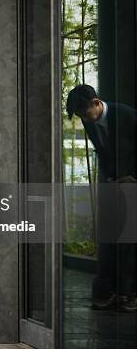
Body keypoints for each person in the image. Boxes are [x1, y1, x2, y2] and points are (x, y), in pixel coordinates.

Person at [66, 84, 136, 312]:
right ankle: (110, 292)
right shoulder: (90, 120)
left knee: (128, 241)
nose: (85, 119)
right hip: (112, 185)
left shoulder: (126, 114)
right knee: (108, 240)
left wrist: (133, 177)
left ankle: (128, 294)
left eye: (85, 113)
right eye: (80, 116)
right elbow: (104, 151)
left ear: (97, 103)